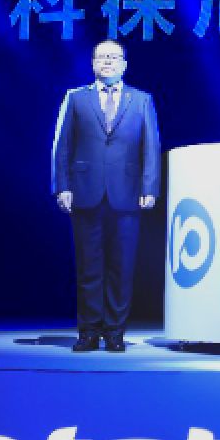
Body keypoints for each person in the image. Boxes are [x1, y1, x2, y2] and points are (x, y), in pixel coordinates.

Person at [52, 40, 161, 352]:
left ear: (124, 63)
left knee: (122, 267)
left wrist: (149, 188)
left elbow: (151, 146)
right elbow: (62, 145)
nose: (108, 62)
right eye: (102, 57)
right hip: (85, 191)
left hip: (127, 194)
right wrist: (63, 186)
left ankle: (115, 332)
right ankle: (88, 331)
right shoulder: (76, 98)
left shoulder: (141, 100)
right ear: (93, 63)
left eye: (114, 57)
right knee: (89, 267)